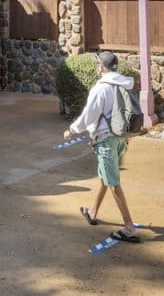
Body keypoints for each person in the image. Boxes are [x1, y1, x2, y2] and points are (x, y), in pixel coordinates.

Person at [63, 51, 139, 243]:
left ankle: (129, 227)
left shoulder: (101, 88)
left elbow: (89, 115)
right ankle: (93, 212)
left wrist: (72, 130)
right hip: (121, 137)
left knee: (112, 182)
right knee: (106, 176)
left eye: (99, 64)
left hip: (105, 138)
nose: (97, 66)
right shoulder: (124, 84)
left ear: (103, 67)